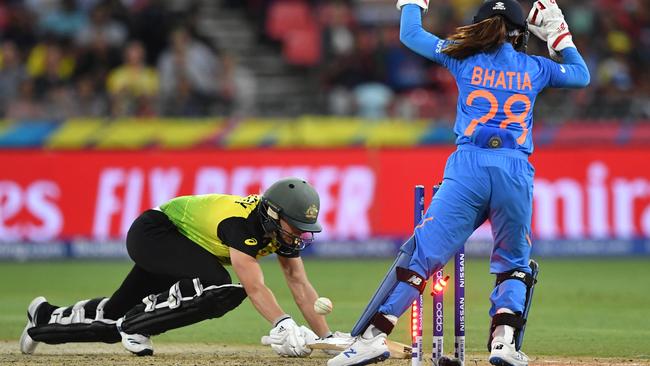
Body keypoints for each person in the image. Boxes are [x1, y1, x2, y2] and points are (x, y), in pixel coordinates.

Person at [328, 1, 589, 366]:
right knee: (514, 261)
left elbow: (410, 34)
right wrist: (558, 35)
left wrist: (413, 3)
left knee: (423, 256)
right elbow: (581, 75)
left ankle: (374, 338)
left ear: (478, 28)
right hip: (514, 168)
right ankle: (504, 344)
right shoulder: (536, 67)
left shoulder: (461, 57)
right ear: (519, 33)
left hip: (468, 167)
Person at [20, 177, 336, 358]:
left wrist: (326, 341)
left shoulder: (278, 231)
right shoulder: (242, 225)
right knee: (218, 285)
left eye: (305, 228)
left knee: (111, 318)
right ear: (272, 213)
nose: (300, 234)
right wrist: (281, 324)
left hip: (184, 245)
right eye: (295, 226)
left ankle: (43, 318)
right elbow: (254, 286)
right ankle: (138, 325)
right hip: (155, 233)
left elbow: (298, 284)